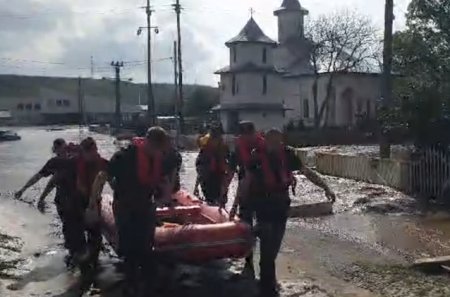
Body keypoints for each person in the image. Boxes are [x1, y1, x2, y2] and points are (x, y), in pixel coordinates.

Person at [234, 128, 336, 296]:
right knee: (267, 253)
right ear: (265, 140)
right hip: (263, 207)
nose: (275, 144)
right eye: (271, 141)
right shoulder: (256, 158)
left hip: (281, 208)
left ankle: (268, 283)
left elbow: (307, 172)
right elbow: (245, 182)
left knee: (273, 250)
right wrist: (236, 207)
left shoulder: (287, 155)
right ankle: (267, 289)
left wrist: (326, 187)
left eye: (277, 141)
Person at [87, 127, 180, 297]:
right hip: (125, 207)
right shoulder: (125, 157)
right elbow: (101, 177)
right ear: (150, 144)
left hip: (146, 205)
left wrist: (167, 196)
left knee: (146, 248)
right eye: (160, 150)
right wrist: (93, 205)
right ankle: (130, 285)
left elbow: (167, 174)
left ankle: (146, 285)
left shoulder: (161, 157)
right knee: (129, 251)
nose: (162, 153)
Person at [15, 139, 77, 265]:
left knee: (69, 227)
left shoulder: (59, 162)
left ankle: (73, 254)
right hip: (72, 200)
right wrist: (25, 190)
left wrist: (25, 190)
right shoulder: (69, 161)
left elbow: (46, 180)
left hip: (67, 200)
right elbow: (49, 180)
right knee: (73, 227)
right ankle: (76, 254)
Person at [228, 121, 263, 278]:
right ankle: (251, 261)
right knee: (250, 226)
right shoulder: (242, 149)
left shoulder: (260, 148)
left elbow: (234, 175)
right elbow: (232, 174)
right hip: (253, 193)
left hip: (256, 193)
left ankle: (253, 262)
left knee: (252, 226)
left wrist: (231, 202)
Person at [194, 126, 232, 206]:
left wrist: (225, 185)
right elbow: (200, 170)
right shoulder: (205, 151)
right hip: (208, 179)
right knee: (210, 198)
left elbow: (229, 168)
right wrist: (196, 186)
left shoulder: (223, 148)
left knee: (220, 199)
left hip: (219, 177)